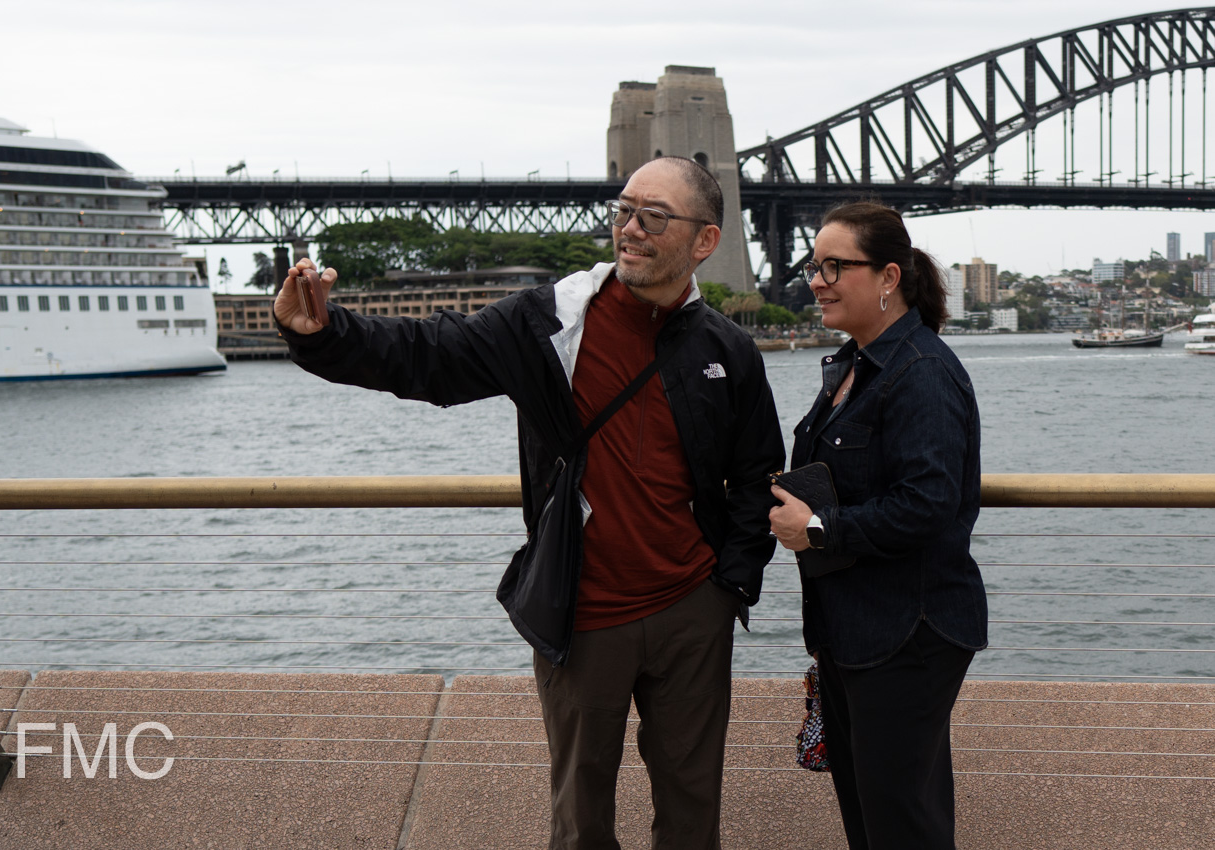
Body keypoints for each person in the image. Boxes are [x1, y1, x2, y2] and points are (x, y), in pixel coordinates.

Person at [273, 156, 784, 850]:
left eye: (653, 217)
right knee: (580, 819)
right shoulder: (549, 322)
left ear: (704, 241)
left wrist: (731, 584)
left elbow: (757, 475)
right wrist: (322, 333)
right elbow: (430, 355)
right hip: (585, 612)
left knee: (693, 811)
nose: (630, 228)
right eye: (623, 210)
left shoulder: (729, 349)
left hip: (692, 609)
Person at [768, 201, 987, 850]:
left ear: (888, 276)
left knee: (900, 824)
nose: (817, 281)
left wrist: (818, 529)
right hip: (854, 629)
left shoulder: (921, 372)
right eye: (813, 267)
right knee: (871, 817)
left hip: (907, 632)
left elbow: (927, 503)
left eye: (835, 267)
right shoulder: (856, 366)